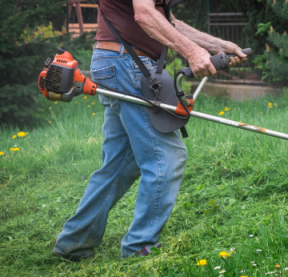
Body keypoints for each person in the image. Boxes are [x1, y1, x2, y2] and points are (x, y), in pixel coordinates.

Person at [52, 0, 247, 260]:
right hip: (127, 63)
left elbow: (168, 21)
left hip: (117, 62)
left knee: (121, 162)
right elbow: (144, 14)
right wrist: (192, 52)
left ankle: (73, 243)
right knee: (166, 159)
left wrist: (214, 46)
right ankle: (139, 250)